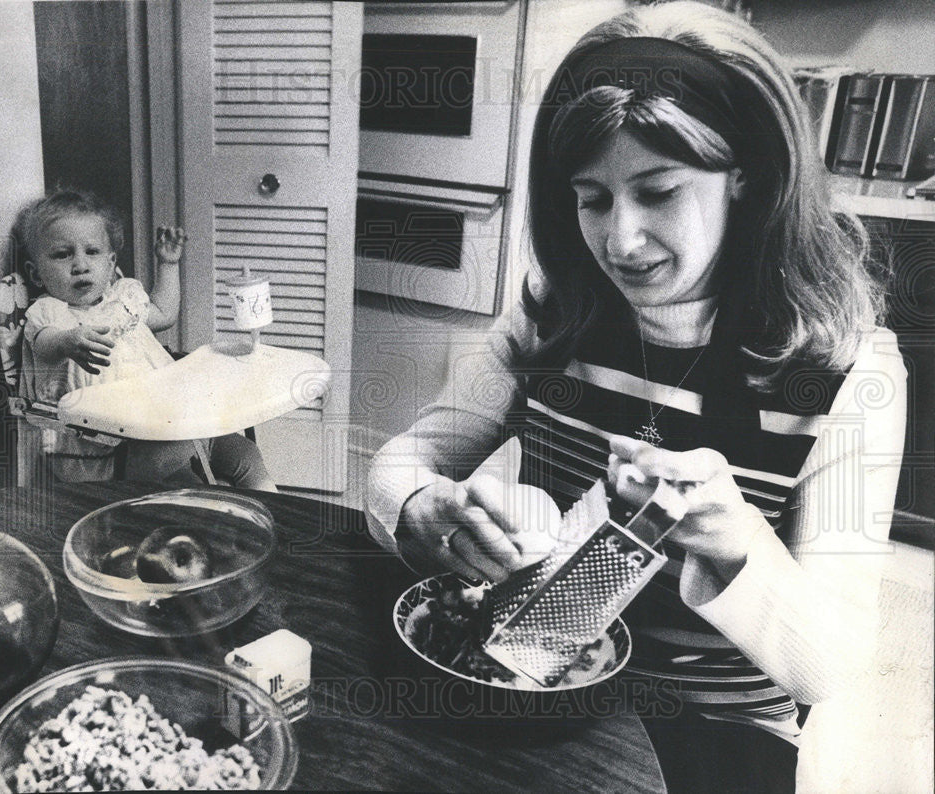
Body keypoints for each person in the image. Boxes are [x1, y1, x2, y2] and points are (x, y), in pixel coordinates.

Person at [365, 2, 906, 792]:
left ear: (747, 175)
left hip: (710, 720)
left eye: (658, 191)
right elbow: (404, 458)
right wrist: (420, 508)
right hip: (530, 661)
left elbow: (825, 665)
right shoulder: (554, 314)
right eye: (593, 198)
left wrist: (737, 543)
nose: (621, 240)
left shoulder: (852, 374)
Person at [17, 188, 272, 489]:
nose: (80, 265)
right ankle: (216, 524)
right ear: (36, 275)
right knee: (189, 483)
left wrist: (168, 265)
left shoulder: (124, 298)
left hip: (174, 413)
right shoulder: (49, 312)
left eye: (92, 252)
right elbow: (45, 344)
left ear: (111, 264)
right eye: (63, 254)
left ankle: (271, 517)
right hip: (117, 445)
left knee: (246, 454)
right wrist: (68, 341)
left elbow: (164, 313)